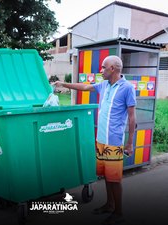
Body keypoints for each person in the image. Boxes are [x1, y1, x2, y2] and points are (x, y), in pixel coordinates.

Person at [54, 55, 136, 225]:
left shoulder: (127, 88)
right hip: (101, 140)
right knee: (107, 176)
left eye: (103, 67)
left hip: (114, 141)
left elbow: (132, 117)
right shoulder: (104, 85)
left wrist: (130, 142)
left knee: (115, 179)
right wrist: (63, 84)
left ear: (113, 68)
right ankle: (109, 204)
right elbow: (84, 87)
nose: (101, 70)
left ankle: (119, 212)